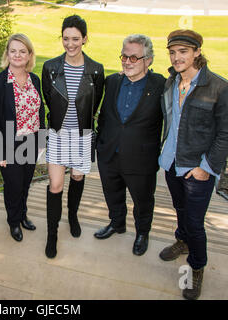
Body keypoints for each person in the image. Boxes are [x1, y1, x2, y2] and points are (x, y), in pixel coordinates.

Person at [158, 29, 228, 300]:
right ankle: (181, 241)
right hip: (171, 163)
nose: (177, 57)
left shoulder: (220, 88)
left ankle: (196, 265)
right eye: (172, 52)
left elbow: (227, 134)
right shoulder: (171, 82)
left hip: (197, 170)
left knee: (195, 222)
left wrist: (207, 167)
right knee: (180, 210)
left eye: (183, 52)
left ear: (197, 52)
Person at [94, 34, 166, 256]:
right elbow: (105, 114)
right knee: (112, 193)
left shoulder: (161, 85)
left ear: (149, 60)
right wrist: (101, 141)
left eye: (134, 58)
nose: (127, 61)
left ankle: (142, 233)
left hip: (141, 158)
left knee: (143, 201)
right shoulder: (112, 81)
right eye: (124, 56)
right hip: (109, 152)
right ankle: (117, 223)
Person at [41, 15, 104, 258]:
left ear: (85, 39)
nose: (70, 44)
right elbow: (50, 99)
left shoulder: (96, 70)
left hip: (82, 136)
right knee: (55, 185)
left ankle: (73, 215)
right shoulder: (51, 67)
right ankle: (52, 235)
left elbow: (94, 103)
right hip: (58, 135)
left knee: (77, 178)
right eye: (66, 38)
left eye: (76, 39)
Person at [0, 33, 45, 242]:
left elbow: (40, 111)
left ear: (29, 55)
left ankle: (23, 215)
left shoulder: (34, 79)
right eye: (13, 51)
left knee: (25, 184)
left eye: (22, 51)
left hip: (31, 142)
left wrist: (41, 141)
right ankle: (13, 222)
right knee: (13, 186)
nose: (17, 55)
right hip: (9, 145)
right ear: (7, 54)